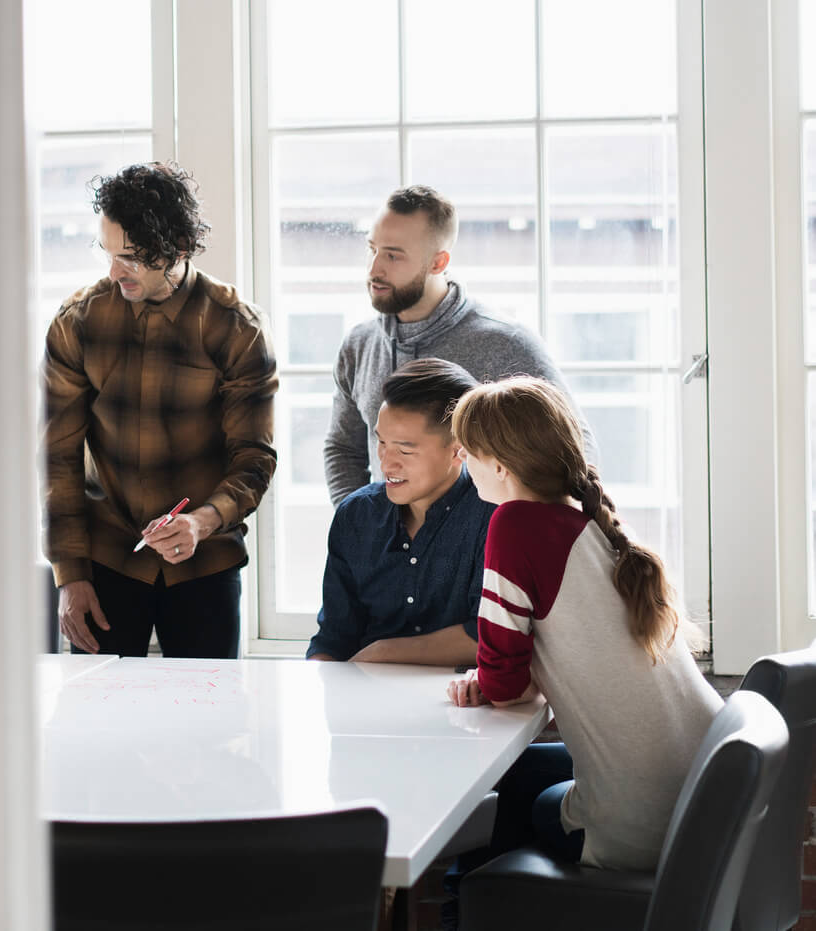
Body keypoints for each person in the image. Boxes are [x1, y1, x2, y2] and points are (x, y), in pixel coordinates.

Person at [445, 376, 720, 879]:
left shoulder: (515, 524)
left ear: (501, 465)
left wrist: (486, 683)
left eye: (469, 447)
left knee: (497, 795)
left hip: (641, 828)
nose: (460, 455)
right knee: (518, 776)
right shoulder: (592, 516)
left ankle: (475, 913)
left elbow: (506, 688)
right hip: (704, 802)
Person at [43, 161, 278, 659]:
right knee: (98, 726)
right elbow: (57, 458)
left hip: (205, 564)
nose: (113, 271)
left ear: (178, 249)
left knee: (208, 730)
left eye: (129, 256)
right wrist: (70, 575)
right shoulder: (77, 322)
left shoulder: (237, 327)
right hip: (106, 563)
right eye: (107, 253)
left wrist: (203, 522)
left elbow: (254, 459)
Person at [324, 184, 598, 506]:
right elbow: (343, 449)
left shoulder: (506, 344)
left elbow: (576, 451)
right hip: (387, 553)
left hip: (487, 552)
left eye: (393, 256)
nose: (374, 269)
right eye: (372, 249)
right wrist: (359, 527)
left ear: (438, 263)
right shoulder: (359, 345)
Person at [306, 358, 494, 665]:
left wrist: (384, 653)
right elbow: (333, 638)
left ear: (459, 448)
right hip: (364, 698)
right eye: (381, 442)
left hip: (462, 702)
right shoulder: (356, 515)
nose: (386, 463)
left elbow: (489, 634)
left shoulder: (493, 516)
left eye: (405, 450)